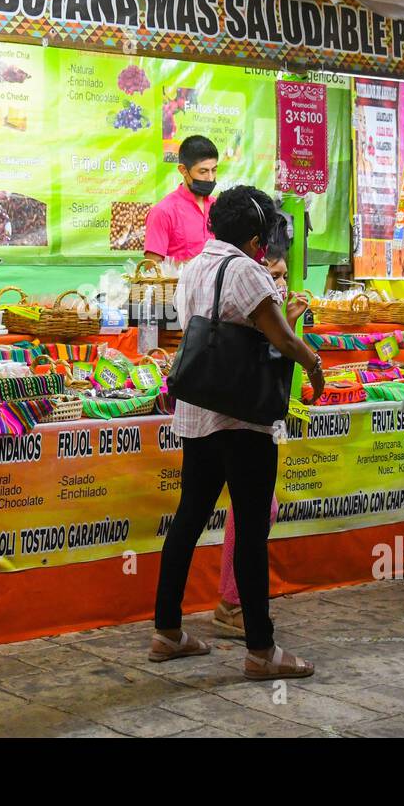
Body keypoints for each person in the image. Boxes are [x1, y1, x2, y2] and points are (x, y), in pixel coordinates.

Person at [150, 185, 324, 680]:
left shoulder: (193, 266)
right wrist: (312, 363)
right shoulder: (247, 271)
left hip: (198, 413)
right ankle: (261, 651)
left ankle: (166, 631)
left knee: (187, 519)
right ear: (255, 236)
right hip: (242, 418)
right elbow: (281, 338)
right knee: (251, 529)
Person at [212, 230, 310, 638]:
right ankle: (232, 605)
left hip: (258, 414)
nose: (283, 283)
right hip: (238, 415)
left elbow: (271, 347)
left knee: (255, 508)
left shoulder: (263, 300)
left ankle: (232, 604)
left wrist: (289, 319)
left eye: (285, 274)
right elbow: (267, 350)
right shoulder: (243, 289)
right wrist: (307, 354)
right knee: (254, 508)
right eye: (276, 274)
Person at [144, 135, 219, 263]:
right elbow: (152, 268)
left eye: (214, 170)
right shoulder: (163, 211)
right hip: (180, 283)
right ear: (183, 170)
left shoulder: (219, 207)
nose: (210, 178)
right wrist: (199, 265)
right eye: (203, 171)